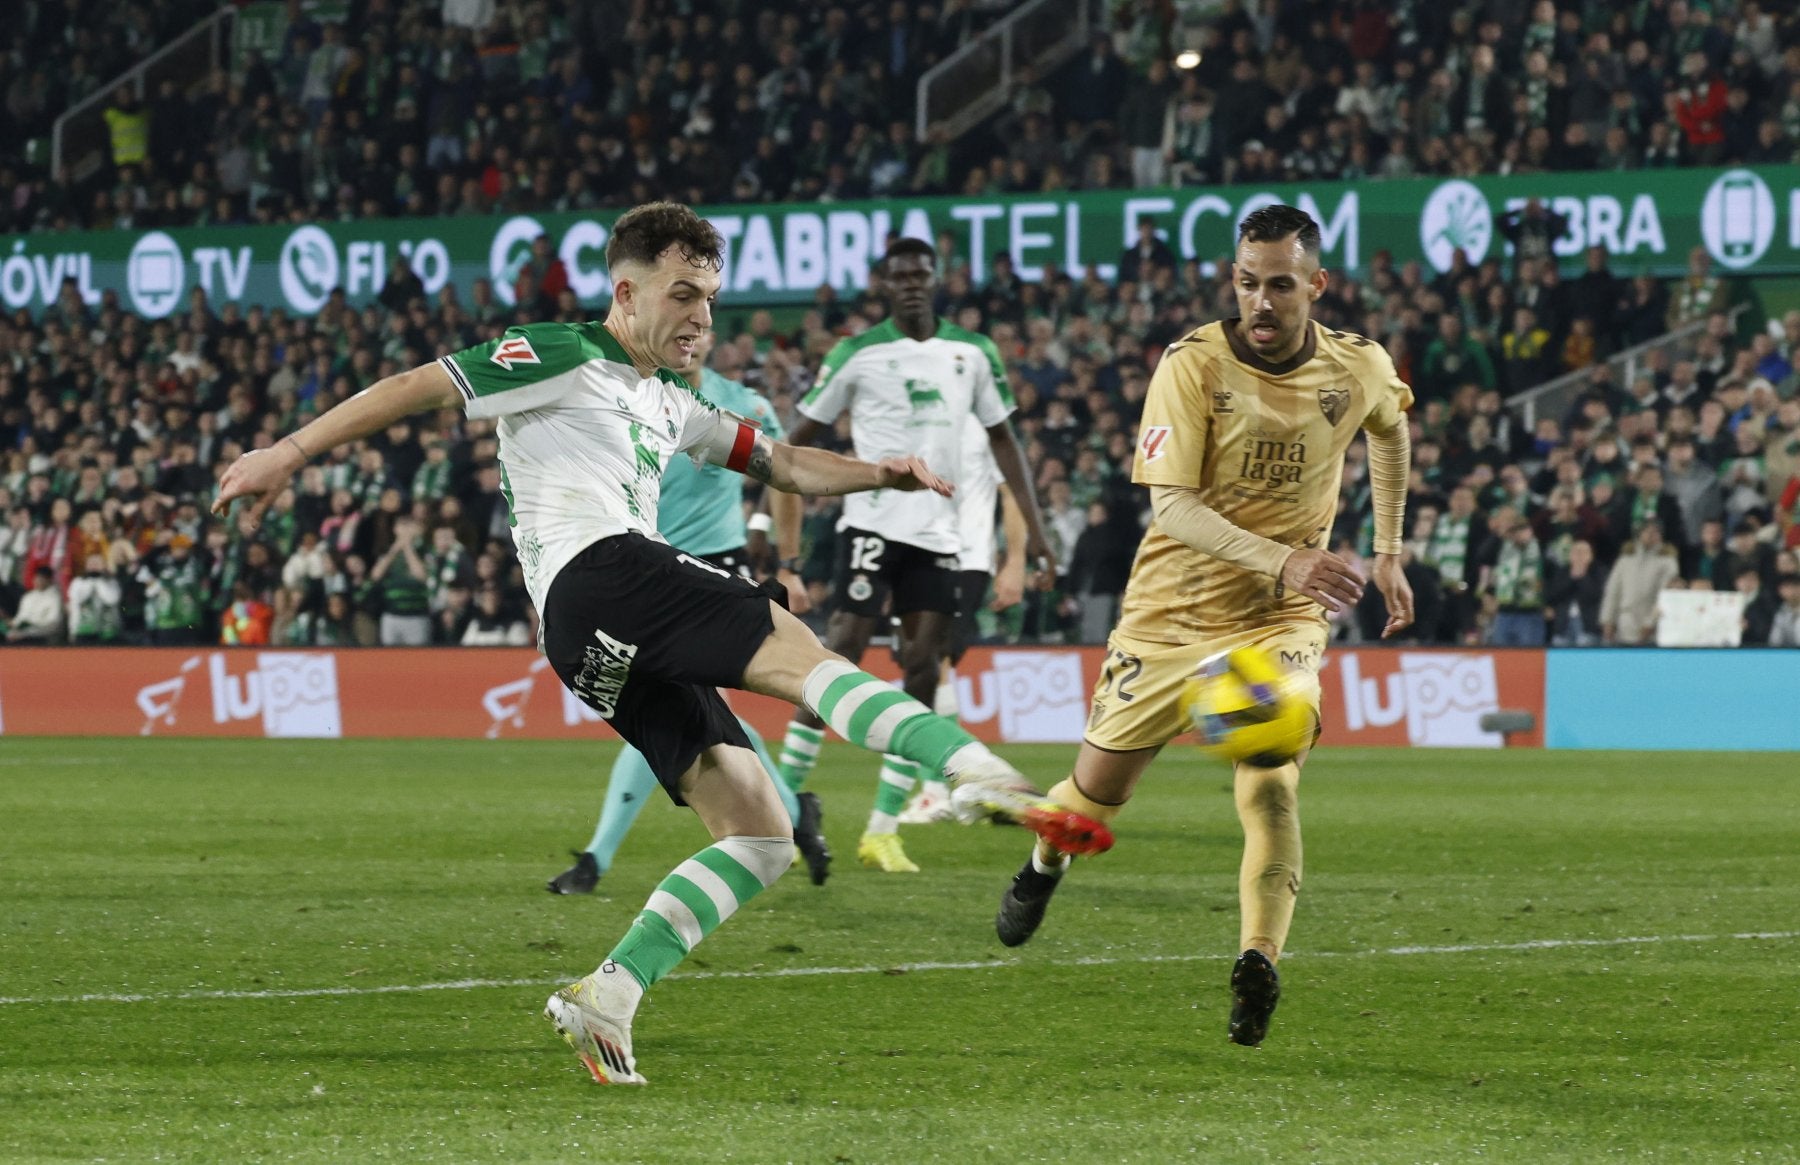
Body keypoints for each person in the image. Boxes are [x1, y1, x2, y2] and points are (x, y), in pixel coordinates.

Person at [212, 202, 1109, 1087]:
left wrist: (885, 471)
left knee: (761, 830)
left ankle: (610, 991)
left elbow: (785, 463)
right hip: (600, 570)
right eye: (683, 294)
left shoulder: (671, 401)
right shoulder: (567, 352)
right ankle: (972, 770)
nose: (701, 318)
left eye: (711, 300)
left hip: (586, 638)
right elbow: (424, 383)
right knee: (797, 647)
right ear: (627, 290)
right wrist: (289, 451)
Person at [988, 205, 1415, 1048]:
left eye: (1281, 285)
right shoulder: (1193, 365)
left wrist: (1390, 548)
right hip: (1171, 612)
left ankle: (1259, 956)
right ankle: (1043, 864)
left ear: (1316, 286)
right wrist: (1288, 557)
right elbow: (1172, 507)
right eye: (1248, 282)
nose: (1261, 301)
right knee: (1094, 798)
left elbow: (1392, 432)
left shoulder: (1357, 365)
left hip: (1278, 618)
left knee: (1271, 780)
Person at [772, 237, 1054, 874]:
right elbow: (798, 440)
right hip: (872, 523)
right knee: (838, 653)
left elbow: (1005, 441)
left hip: (939, 534)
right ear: (884, 284)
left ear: (936, 277)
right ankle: (787, 808)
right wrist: (783, 534)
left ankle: (880, 829)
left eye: (921, 274)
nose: (911, 285)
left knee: (923, 670)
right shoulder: (857, 353)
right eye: (899, 277)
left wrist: (1036, 536)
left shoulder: (972, 352)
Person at [545, 330, 832, 895]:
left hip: (712, 566)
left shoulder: (740, 404)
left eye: (701, 325)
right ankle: (798, 816)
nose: (692, 339)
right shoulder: (635, 396)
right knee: (697, 715)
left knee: (686, 711)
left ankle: (596, 861)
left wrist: (786, 554)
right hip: (643, 566)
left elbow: (783, 478)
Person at [895, 419, 1030, 828]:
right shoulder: (914, 420)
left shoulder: (983, 428)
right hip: (916, 554)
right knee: (925, 668)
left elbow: (1013, 496)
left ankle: (938, 791)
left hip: (964, 557)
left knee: (934, 663)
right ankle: (965, 785)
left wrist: (1017, 561)